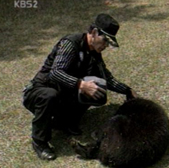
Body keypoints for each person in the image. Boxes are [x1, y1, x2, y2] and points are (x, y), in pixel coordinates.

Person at [22, 13, 138, 161]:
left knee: (98, 89)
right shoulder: (71, 43)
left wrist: (126, 90)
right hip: (40, 90)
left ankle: (65, 122)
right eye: (104, 41)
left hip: (62, 92)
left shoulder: (94, 53)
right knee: (50, 95)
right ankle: (39, 142)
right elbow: (55, 73)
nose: (105, 46)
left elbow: (106, 79)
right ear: (94, 33)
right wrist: (81, 85)